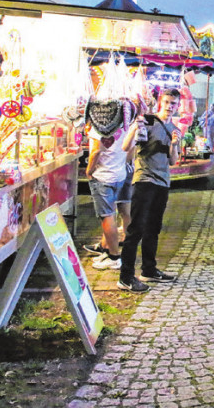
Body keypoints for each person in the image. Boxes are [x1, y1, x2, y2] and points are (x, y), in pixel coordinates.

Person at [118, 88, 182, 292]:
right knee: (136, 228)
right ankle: (126, 277)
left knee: (154, 228)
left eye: (173, 103)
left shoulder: (174, 127)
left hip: (163, 182)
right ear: (160, 102)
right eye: (167, 102)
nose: (170, 106)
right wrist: (135, 130)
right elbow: (125, 146)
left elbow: (173, 160)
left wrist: (174, 144)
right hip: (144, 180)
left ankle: (149, 269)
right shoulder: (148, 121)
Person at [85, 114, 140, 270]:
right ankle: (109, 248)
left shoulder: (99, 128)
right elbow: (130, 149)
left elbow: (95, 152)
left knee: (107, 217)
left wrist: (89, 171)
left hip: (103, 176)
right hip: (119, 175)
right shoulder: (124, 127)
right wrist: (124, 164)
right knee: (120, 212)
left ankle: (114, 257)